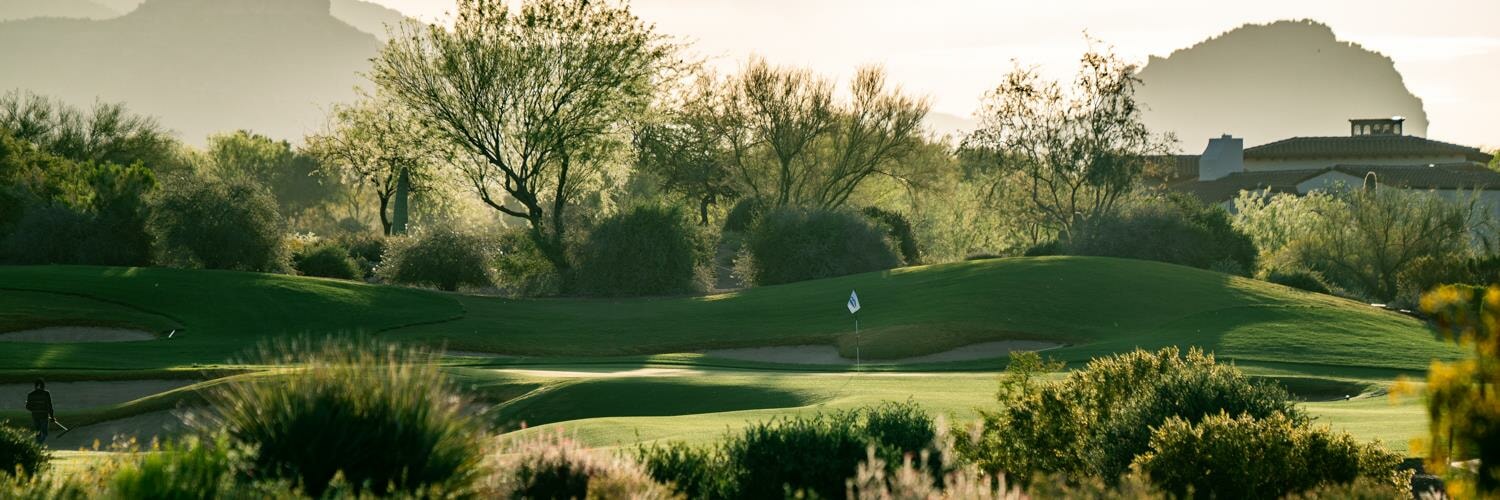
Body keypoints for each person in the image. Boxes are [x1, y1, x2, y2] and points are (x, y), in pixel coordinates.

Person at [25, 379, 54, 445]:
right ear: (43, 386)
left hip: (35, 415)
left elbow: (28, 407)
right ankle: (39, 445)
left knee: (38, 432)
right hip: (44, 416)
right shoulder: (46, 394)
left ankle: (38, 445)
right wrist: (52, 416)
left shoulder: (31, 394)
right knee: (44, 433)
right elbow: (49, 406)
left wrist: (35, 410)